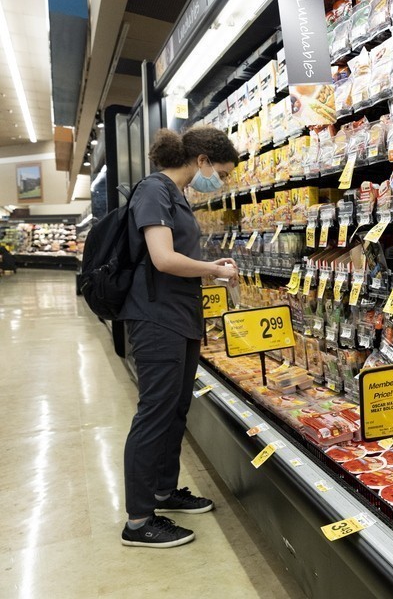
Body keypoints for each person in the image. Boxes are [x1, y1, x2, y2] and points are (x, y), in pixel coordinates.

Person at [118, 126, 239, 548]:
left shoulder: (177, 194)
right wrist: (214, 270)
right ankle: (138, 522)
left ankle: (163, 492)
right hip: (157, 319)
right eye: (221, 173)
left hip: (180, 316)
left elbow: (177, 258)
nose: (220, 182)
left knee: (175, 410)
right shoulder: (155, 190)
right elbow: (163, 258)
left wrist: (209, 268)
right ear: (202, 160)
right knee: (154, 413)